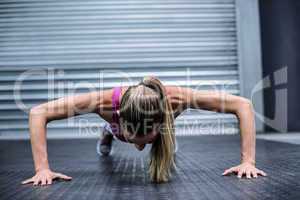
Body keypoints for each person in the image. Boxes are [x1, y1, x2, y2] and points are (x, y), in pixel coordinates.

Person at [21, 76, 267, 186]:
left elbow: (243, 105)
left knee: (155, 139)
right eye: (133, 137)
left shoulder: (177, 100)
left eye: (145, 138)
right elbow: (38, 113)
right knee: (110, 128)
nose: (139, 147)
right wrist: (42, 168)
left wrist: (248, 162)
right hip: (115, 122)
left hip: (155, 124)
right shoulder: (102, 103)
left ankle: (153, 134)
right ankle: (108, 131)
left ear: (161, 123)